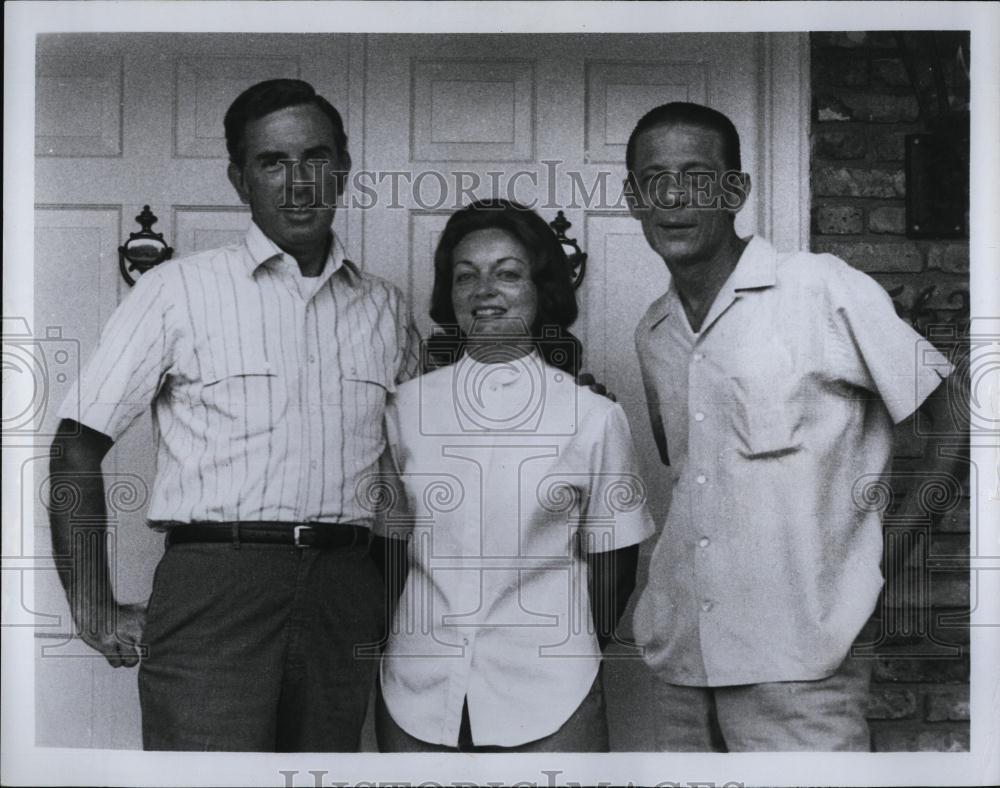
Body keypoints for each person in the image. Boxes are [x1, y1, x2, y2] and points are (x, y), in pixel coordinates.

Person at [48, 79, 420, 751]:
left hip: (346, 588)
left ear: (343, 167)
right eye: (272, 163)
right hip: (215, 584)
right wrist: (93, 606)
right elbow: (76, 444)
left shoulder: (386, 310)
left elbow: (410, 472)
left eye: (315, 158)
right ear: (238, 178)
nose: (298, 181)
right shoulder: (176, 291)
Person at [625, 102, 963, 751]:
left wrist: (877, 565)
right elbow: (692, 479)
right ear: (633, 197)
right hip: (681, 664)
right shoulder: (655, 331)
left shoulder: (819, 290)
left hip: (802, 669)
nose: (673, 197)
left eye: (696, 176)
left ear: (736, 191)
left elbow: (954, 418)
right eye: (653, 179)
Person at [371, 199, 655, 752]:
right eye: (465, 276)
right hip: (417, 692)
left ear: (543, 290)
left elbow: (614, 566)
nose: (484, 291)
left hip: (552, 695)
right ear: (447, 294)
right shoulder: (401, 411)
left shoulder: (592, 416)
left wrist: (568, 649)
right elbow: (385, 558)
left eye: (507, 273)